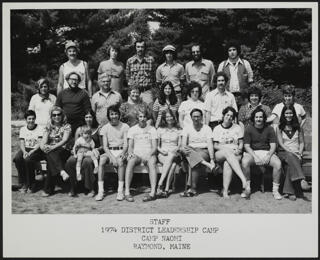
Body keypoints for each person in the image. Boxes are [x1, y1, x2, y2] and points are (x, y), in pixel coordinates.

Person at [241, 108, 282, 200]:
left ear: (264, 118)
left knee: (278, 164)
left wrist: (268, 156)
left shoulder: (270, 129)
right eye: (256, 117)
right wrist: (255, 156)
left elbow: (273, 146)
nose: (258, 119)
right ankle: (247, 188)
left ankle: (275, 191)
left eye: (260, 117)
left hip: (266, 152)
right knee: (244, 162)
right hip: (252, 152)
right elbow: (247, 146)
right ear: (253, 118)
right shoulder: (249, 129)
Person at [212, 107, 250, 198]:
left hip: (235, 153)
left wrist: (239, 149)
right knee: (227, 154)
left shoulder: (237, 127)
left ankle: (225, 191)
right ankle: (243, 180)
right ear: (223, 115)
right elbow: (215, 145)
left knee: (227, 163)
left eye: (231, 116)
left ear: (233, 118)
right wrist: (227, 150)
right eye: (227, 115)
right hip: (220, 153)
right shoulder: (217, 128)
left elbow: (241, 143)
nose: (229, 117)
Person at [65, 109, 103, 197]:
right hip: (80, 151)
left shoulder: (98, 129)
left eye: (90, 117)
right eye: (86, 117)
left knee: (87, 161)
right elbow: (76, 143)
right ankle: (73, 187)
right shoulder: (79, 129)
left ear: (93, 118)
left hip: (92, 152)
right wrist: (74, 151)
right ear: (84, 118)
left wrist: (96, 150)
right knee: (70, 161)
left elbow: (102, 145)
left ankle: (90, 188)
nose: (88, 119)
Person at [277, 105, 311, 201]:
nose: (289, 115)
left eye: (291, 113)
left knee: (289, 167)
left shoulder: (298, 127)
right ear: (283, 114)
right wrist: (293, 152)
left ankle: (289, 192)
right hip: (283, 152)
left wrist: (299, 153)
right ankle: (302, 179)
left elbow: (301, 142)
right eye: (287, 113)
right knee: (290, 156)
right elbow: (281, 144)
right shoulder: (279, 128)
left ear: (294, 114)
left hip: (296, 154)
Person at [96, 105, 129, 201]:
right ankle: (101, 191)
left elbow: (126, 145)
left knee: (121, 161)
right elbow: (105, 146)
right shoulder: (105, 128)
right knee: (102, 160)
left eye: (115, 114)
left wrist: (121, 154)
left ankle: (120, 191)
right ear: (108, 115)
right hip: (110, 151)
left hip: (121, 150)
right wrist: (112, 157)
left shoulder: (125, 126)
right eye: (111, 114)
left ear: (119, 115)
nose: (114, 116)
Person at [124, 107, 158, 202]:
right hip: (137, 155)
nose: (142, 119)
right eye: (140, 116)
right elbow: (130, 146)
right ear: (137, 118)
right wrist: (130, 153)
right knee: (130, 161)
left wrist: (148, 155)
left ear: (147, 118)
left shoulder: (152, 129)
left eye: (144, 116)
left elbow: (154, 147)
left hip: (149, 154)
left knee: (152, 162)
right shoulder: (132, 129)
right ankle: (127, 192)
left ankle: (153, 192)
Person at [180, 108, 215, 197]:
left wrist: (212, 159)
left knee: (194, 159)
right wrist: (185, 149)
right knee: (190, 153)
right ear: (191, 118)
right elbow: (184, 144)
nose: (196, 118)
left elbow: (210, 144)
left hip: (203, 151)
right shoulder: (187, 128)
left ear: (202, 117)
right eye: (194, 117)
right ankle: (193, 188)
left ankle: (192, 187)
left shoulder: (207, 128)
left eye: (198, 116)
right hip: (190, 150)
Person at [40, 106, 72, 197]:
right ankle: (62, 172)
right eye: (54, 115)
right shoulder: (48, 126)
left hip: (63, 149)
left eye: (58, 114)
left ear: (62, 115)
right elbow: (44, 140)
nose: (56, 117)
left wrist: (51, 148)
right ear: (51, 116)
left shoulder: (67, 126)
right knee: (51, 156)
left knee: (51, 156)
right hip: (51, 151)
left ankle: (47, 189)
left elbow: (64, 140)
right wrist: (43, 147)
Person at [13, 110, 45, 193]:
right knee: (17, 158)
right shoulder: (23, 129)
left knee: (28, 160)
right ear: (26, 119)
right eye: (29, 119)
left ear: (35, 119)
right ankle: (23, 182)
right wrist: (24, 152)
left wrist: (33, 151)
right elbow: (22, 142)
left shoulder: (40, 128)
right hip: (26, 149)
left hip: (37, 150)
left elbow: (40, 142)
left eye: (33, 118)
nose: (31, 120)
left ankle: (31, 184)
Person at [217, 40, 253, 106]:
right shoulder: (222, 65)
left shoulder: (246, 63)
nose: (232, 52)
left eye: (234, 50)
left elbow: (250, 81)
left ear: (237, 51)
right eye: (229, 50)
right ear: (227, 52)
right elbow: (219, 83)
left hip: (243, 98)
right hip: (227, 97)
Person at [156, 109, 182, 198]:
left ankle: (160, 184)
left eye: (170, 116)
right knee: (173, 165)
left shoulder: (178, 129)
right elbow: (157, 145)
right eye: (167, 116)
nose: (169, 118)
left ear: (174, 117)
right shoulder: (160, 129)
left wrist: (175, 150)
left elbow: (179, 145)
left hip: (174, 153)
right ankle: (166, 189)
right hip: (162, 154)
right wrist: (160, 150)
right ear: (164, 118)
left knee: (171, 156)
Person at [125, 38, 156, 105]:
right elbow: (127, 77)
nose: (140, 49)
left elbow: (154, 76)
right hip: (134, 93)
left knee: (148, 113)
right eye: (138, 47)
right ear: (135, 48)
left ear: (144, 48)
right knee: (132, 113)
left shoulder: (150, 60)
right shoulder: (130, 61)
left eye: (142, 47)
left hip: (147, 92)